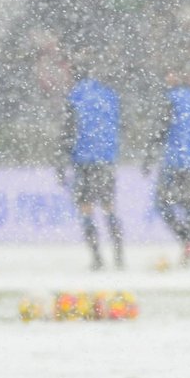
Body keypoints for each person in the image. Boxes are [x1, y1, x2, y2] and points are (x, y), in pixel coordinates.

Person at [63, 74, 124, 270]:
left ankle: (97, 258)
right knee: (109, 206)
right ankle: (119, 257)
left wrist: (62, 158)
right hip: (106, 158)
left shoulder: (76, 95)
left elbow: (68, 129)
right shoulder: (110, 95)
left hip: (83, 159)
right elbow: (120, 123)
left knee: (86, 208)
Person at [147, 74, 190, 266]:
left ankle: (185, 239)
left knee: (161, 203)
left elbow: (162, 128)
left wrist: (149, 153)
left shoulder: (171, 99)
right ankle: (189, 245)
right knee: (189, 206)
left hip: (173, 161)